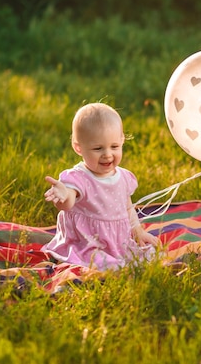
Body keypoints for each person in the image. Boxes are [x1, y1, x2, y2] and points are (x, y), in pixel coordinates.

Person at [41, 102, 159, 270]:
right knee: (106, 265)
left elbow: (127, 206)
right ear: (78, 148)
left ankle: (119, 258)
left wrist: (137, 230)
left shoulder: (123, 177)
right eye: (98, 148)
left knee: (149, 256)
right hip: (88, 243)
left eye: (114, 146)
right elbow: (67, 203)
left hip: (118, 242)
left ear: (122, 141)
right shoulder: (79, 177)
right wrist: (63, 195)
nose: (107, 154)